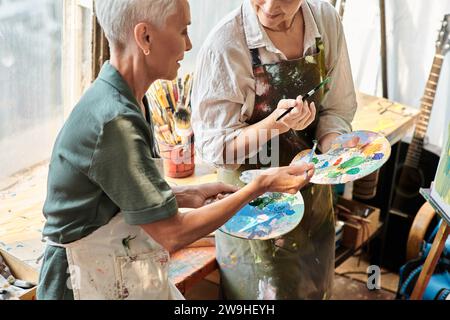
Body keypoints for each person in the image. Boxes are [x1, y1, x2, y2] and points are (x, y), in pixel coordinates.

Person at [37, 0, 314, 300]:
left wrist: (183, 195)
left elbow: (113, 193)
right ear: (145, 37)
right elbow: (173, 233)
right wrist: (261, 185)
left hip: (112, 269)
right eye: (182, 31)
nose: (189, 43)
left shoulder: (127, 99)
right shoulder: (114, 121)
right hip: (79, 283)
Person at [191, 0, 357, 299]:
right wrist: (275, 125)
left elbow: (338, 106)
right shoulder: (227, 43)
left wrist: (333, 146)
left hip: (314, 205)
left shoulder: (325, 21)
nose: (268, 8)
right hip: (253, 214)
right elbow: (214, 148)